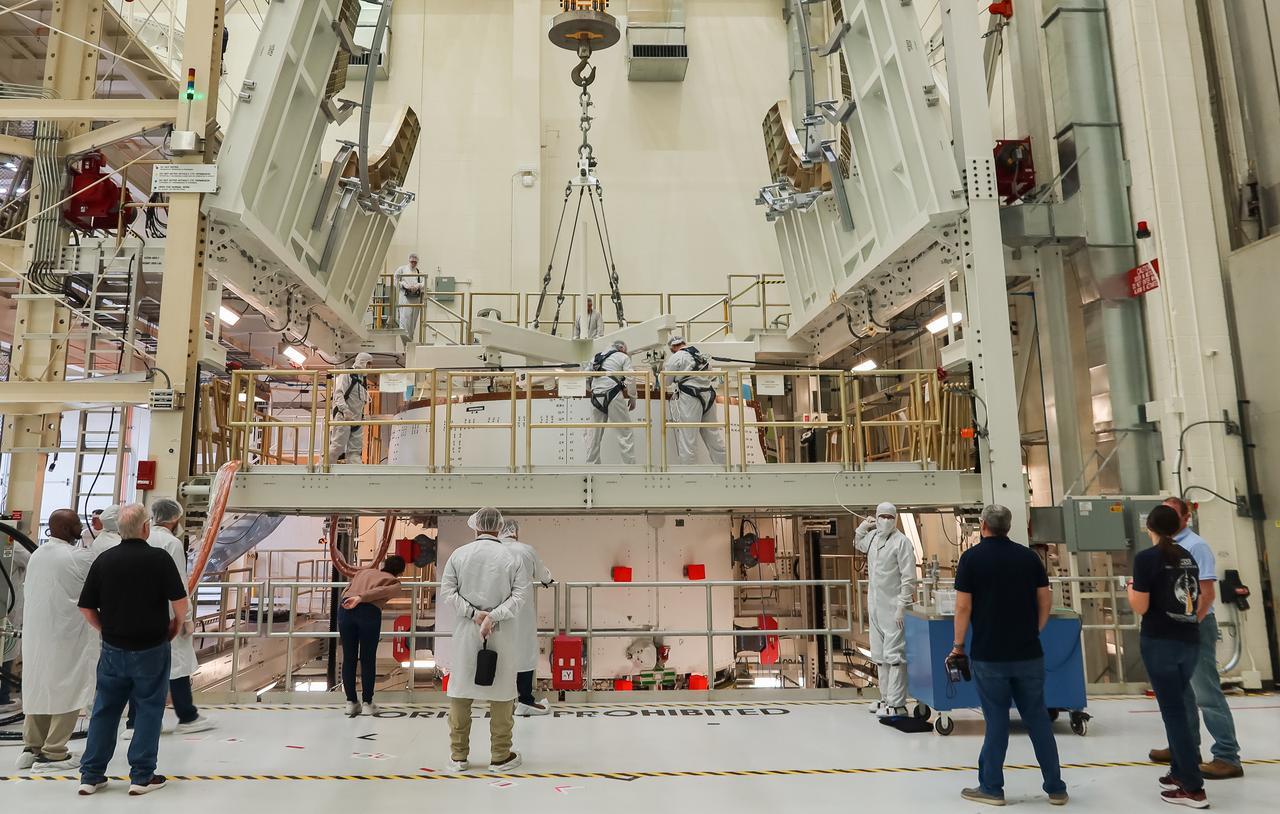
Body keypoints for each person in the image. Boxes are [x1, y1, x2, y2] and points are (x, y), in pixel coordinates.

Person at [952, 504, 1068, 807]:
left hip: (989, 655)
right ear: (1009, 526)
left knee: (997, 721)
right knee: (1038, 720)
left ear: (983, 525)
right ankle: (1056, 788)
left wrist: (958, 645)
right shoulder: (1029, 558)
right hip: (1028, 653)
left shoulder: (971, 559)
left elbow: (963, 607)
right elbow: (1045, 600)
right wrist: (1035, 630)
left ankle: (991, 787)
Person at [76, 503, 189, 797]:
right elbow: (180, 602)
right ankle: (141, 775)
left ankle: (91, 775)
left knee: (105, 709)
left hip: (113, 650)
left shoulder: (105, 560)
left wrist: (105, 629)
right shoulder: (159, 559)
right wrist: (177, 624)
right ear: (145, 527)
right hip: (152, 648)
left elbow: (86, 607)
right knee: (149, 709)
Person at [1148, 497, 1242, 780]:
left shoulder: (1195, 546)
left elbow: (1207, 594)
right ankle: (1185, 748)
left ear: (1186, 518)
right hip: (1175, 628)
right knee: (1181, 694)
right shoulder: (1165, 547)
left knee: (1206, 693)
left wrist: (1188, 626)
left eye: (1172, 513)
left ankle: (1227, 756)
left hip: (1195, 627)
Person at [1129, 505, 1209, 808]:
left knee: (1174, 713)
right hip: (1188, 639)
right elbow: (1195, 597)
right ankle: (1179, 770)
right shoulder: (1187, 556)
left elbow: (1141, 606)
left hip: (1160, 641)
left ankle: (1192, 787)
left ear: (1148, 527)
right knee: (1180, 706)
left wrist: (1130, 589)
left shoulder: (1146, 559)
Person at [439, 507, 530, 772]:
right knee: (502, 693)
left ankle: (459, 756)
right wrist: (493, 616)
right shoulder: (511, 557)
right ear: (499, 527)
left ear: (476, 526)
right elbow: (519, 596)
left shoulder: (459, 555)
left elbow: (448, 592)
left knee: (461, 690)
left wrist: (474, 614)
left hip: (467, 631)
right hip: (501, 632)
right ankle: (500, 755)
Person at [122, 499, 214, 737]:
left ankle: (136, 721)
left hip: (138, 613)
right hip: (168, 614)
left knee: (141, 668)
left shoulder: (141, 539)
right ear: (175, 518)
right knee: (177, 666)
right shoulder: (171, 543)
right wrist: (186, 617)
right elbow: (179, 583)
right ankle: (187, 716)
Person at [17, 509, 98, 773]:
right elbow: (101, 576)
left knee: (39, 688)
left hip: (37, 636)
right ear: (64, 529)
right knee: (68, 690)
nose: (80, 528)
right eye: (76, 524)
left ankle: (32, 747)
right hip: (66, 637)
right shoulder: (78, 556)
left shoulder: (38, 554)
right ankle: (54, 752)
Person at [854, 502, 917, 717]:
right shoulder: (873, 538)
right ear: (876, 517)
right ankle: (885, 699)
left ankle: (897, 704)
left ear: (896, 518)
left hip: (893, 609)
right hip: (875, 607)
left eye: (890, 517)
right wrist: (863, 527)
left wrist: (902, 606)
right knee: (880, 656)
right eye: (882, 516)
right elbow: (858, 544)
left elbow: (908, 578)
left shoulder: (902, 543)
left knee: (895, 656)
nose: (886, 520)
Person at [498, 520, 554, 717]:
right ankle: (525, 700)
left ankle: (501, 700)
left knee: (500, 653)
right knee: (524, 653)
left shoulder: (493, 550)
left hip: (496, 611)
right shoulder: (526, 550)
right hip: (521, 611)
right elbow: (543, 574)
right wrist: (548, 579)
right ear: (516, 532)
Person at [338, 554, 406, 717]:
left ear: (384, 564)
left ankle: (351, 702)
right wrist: (362, 598)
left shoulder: (363, 572)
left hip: (345, 609)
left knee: (349, 658)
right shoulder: (395, 582)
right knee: (367, 658)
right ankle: (367, 703)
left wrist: (353, 598)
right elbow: (382, 591)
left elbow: (347, 588)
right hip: (369, 612)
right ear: (400, 572)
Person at [663, 335, 725, 465]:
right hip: (709, 397)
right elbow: (710, 373)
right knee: (714, 436)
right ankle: (725, 468)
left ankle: (688, 473)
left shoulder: (676, 357)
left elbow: (666, 381)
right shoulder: (700, 354)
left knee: (688, 438)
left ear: (672, 347)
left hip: (691, 398)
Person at [586, 340, 638, 465]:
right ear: (622, 348)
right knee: (625, 432)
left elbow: (586, 376)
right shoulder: (622, 357)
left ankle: (591, 466)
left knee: (594, 434)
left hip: (596, 396)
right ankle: (629, 467)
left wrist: (592, 389)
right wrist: (632, 397)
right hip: (613, 395)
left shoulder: (596, 357)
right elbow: (631, 378)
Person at [329, 352, 373, 463]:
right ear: (362, 362)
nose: (370, 367)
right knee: (337, 447)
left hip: (357, 420)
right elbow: (338, 394)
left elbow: (359, 402)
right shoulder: (347, 375)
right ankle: (322, 467)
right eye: (369, 364)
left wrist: (362, 416)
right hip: (344, 417)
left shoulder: (362, 381)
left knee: (355, 451)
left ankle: (355, 471)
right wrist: (345, 410)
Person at [394, 252, 425, 340]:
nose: (413, 263)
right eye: (412, 262)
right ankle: (403, 340)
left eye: (415, 262)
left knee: (413, 322)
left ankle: (410, 340)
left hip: (416, 300)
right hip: (405, 299)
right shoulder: (402, 269)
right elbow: (395, 280)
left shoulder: (418, 272)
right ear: (409, 260)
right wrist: (404, 285)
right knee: (404, 319)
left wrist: (418, 286)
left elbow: (424, 282)